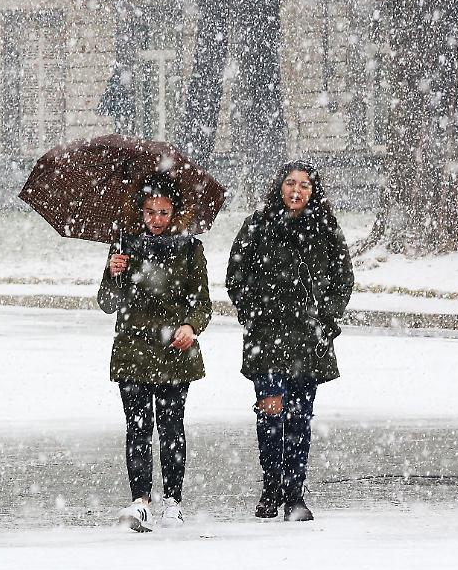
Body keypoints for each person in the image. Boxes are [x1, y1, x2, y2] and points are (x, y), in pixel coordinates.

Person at [226, 160, 354, 522]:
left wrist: (325, 320)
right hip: (266, 337)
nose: (296, 191)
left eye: (304, 185)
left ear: (314, 191)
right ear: (279, 187)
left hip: (307, 340)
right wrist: (253, 313)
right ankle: (271, 487)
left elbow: (343, 279)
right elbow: (236, 275)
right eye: (290, 183)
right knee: (270, 415)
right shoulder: (258, 224)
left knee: (299, 418)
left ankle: (295, 493)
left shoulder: (326, 228)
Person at [97, 173, 212, 533]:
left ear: (175, 211)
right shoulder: (122, 246)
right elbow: (107, 302)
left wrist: (190, 327)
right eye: (149, 211)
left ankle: (173, 501)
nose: (156, 220)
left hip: (174, 352)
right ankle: (141, 500)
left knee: (171, 427)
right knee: (137, 428)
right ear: (140, 211)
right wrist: (112, 271)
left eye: (163, 212)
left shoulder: (190, 249)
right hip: (133, 349)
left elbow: (202, 302)